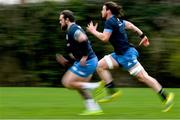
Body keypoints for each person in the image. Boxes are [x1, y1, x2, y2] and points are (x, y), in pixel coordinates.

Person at [86, 1, 174, 112]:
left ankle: (166, 97)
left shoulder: (109, 22)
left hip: (127, 55)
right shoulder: (118, 20)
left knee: (143, 77)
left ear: (108, 11)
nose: (101, 11)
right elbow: (131, 25)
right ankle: (112, 92)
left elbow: (104, 38)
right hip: (119, 55)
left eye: (103, 9)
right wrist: (142, 35)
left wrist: (93, 31)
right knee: (100, 66)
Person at [57, 10, 104, 115]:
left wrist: (85, 56)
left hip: (88, 61)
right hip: (90, 61)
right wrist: (67, 61)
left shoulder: (73, 29)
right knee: (80, 86)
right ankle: (94, 109)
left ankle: (96, 86)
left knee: (66, 82)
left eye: (61, 20)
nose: (60, 22)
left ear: (67, 20)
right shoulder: (71, 31)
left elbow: (83, 39)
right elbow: (76, 51)